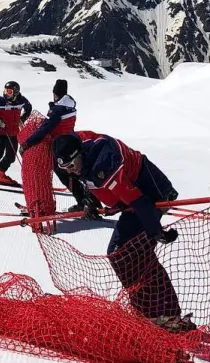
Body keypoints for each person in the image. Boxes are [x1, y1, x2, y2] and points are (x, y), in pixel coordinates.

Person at [52, 131, 194, 332]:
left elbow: (137, 200)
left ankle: (167, 314)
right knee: (125, 254)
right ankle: (150, 312)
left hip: (150, 195)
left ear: (80, 154)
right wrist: (91, 202)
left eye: (72, 166)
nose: (71, 171)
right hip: (133, 199)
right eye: (65, 169)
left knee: (129, 253)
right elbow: (89, 180)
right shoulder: (77, 146)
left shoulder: (104, 165)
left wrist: (155, 231)